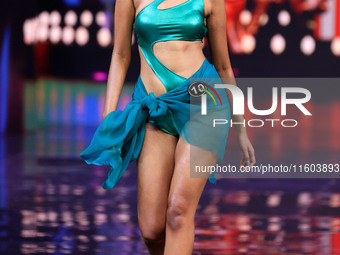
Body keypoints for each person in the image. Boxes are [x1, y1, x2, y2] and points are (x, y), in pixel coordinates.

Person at [80, 0, 256, 254]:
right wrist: (109, 116)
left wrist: (240, 129)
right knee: (152, 230)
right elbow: (120, 55)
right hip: (154, 110)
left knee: (178, 210)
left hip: (204, 103)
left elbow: (224, 65)